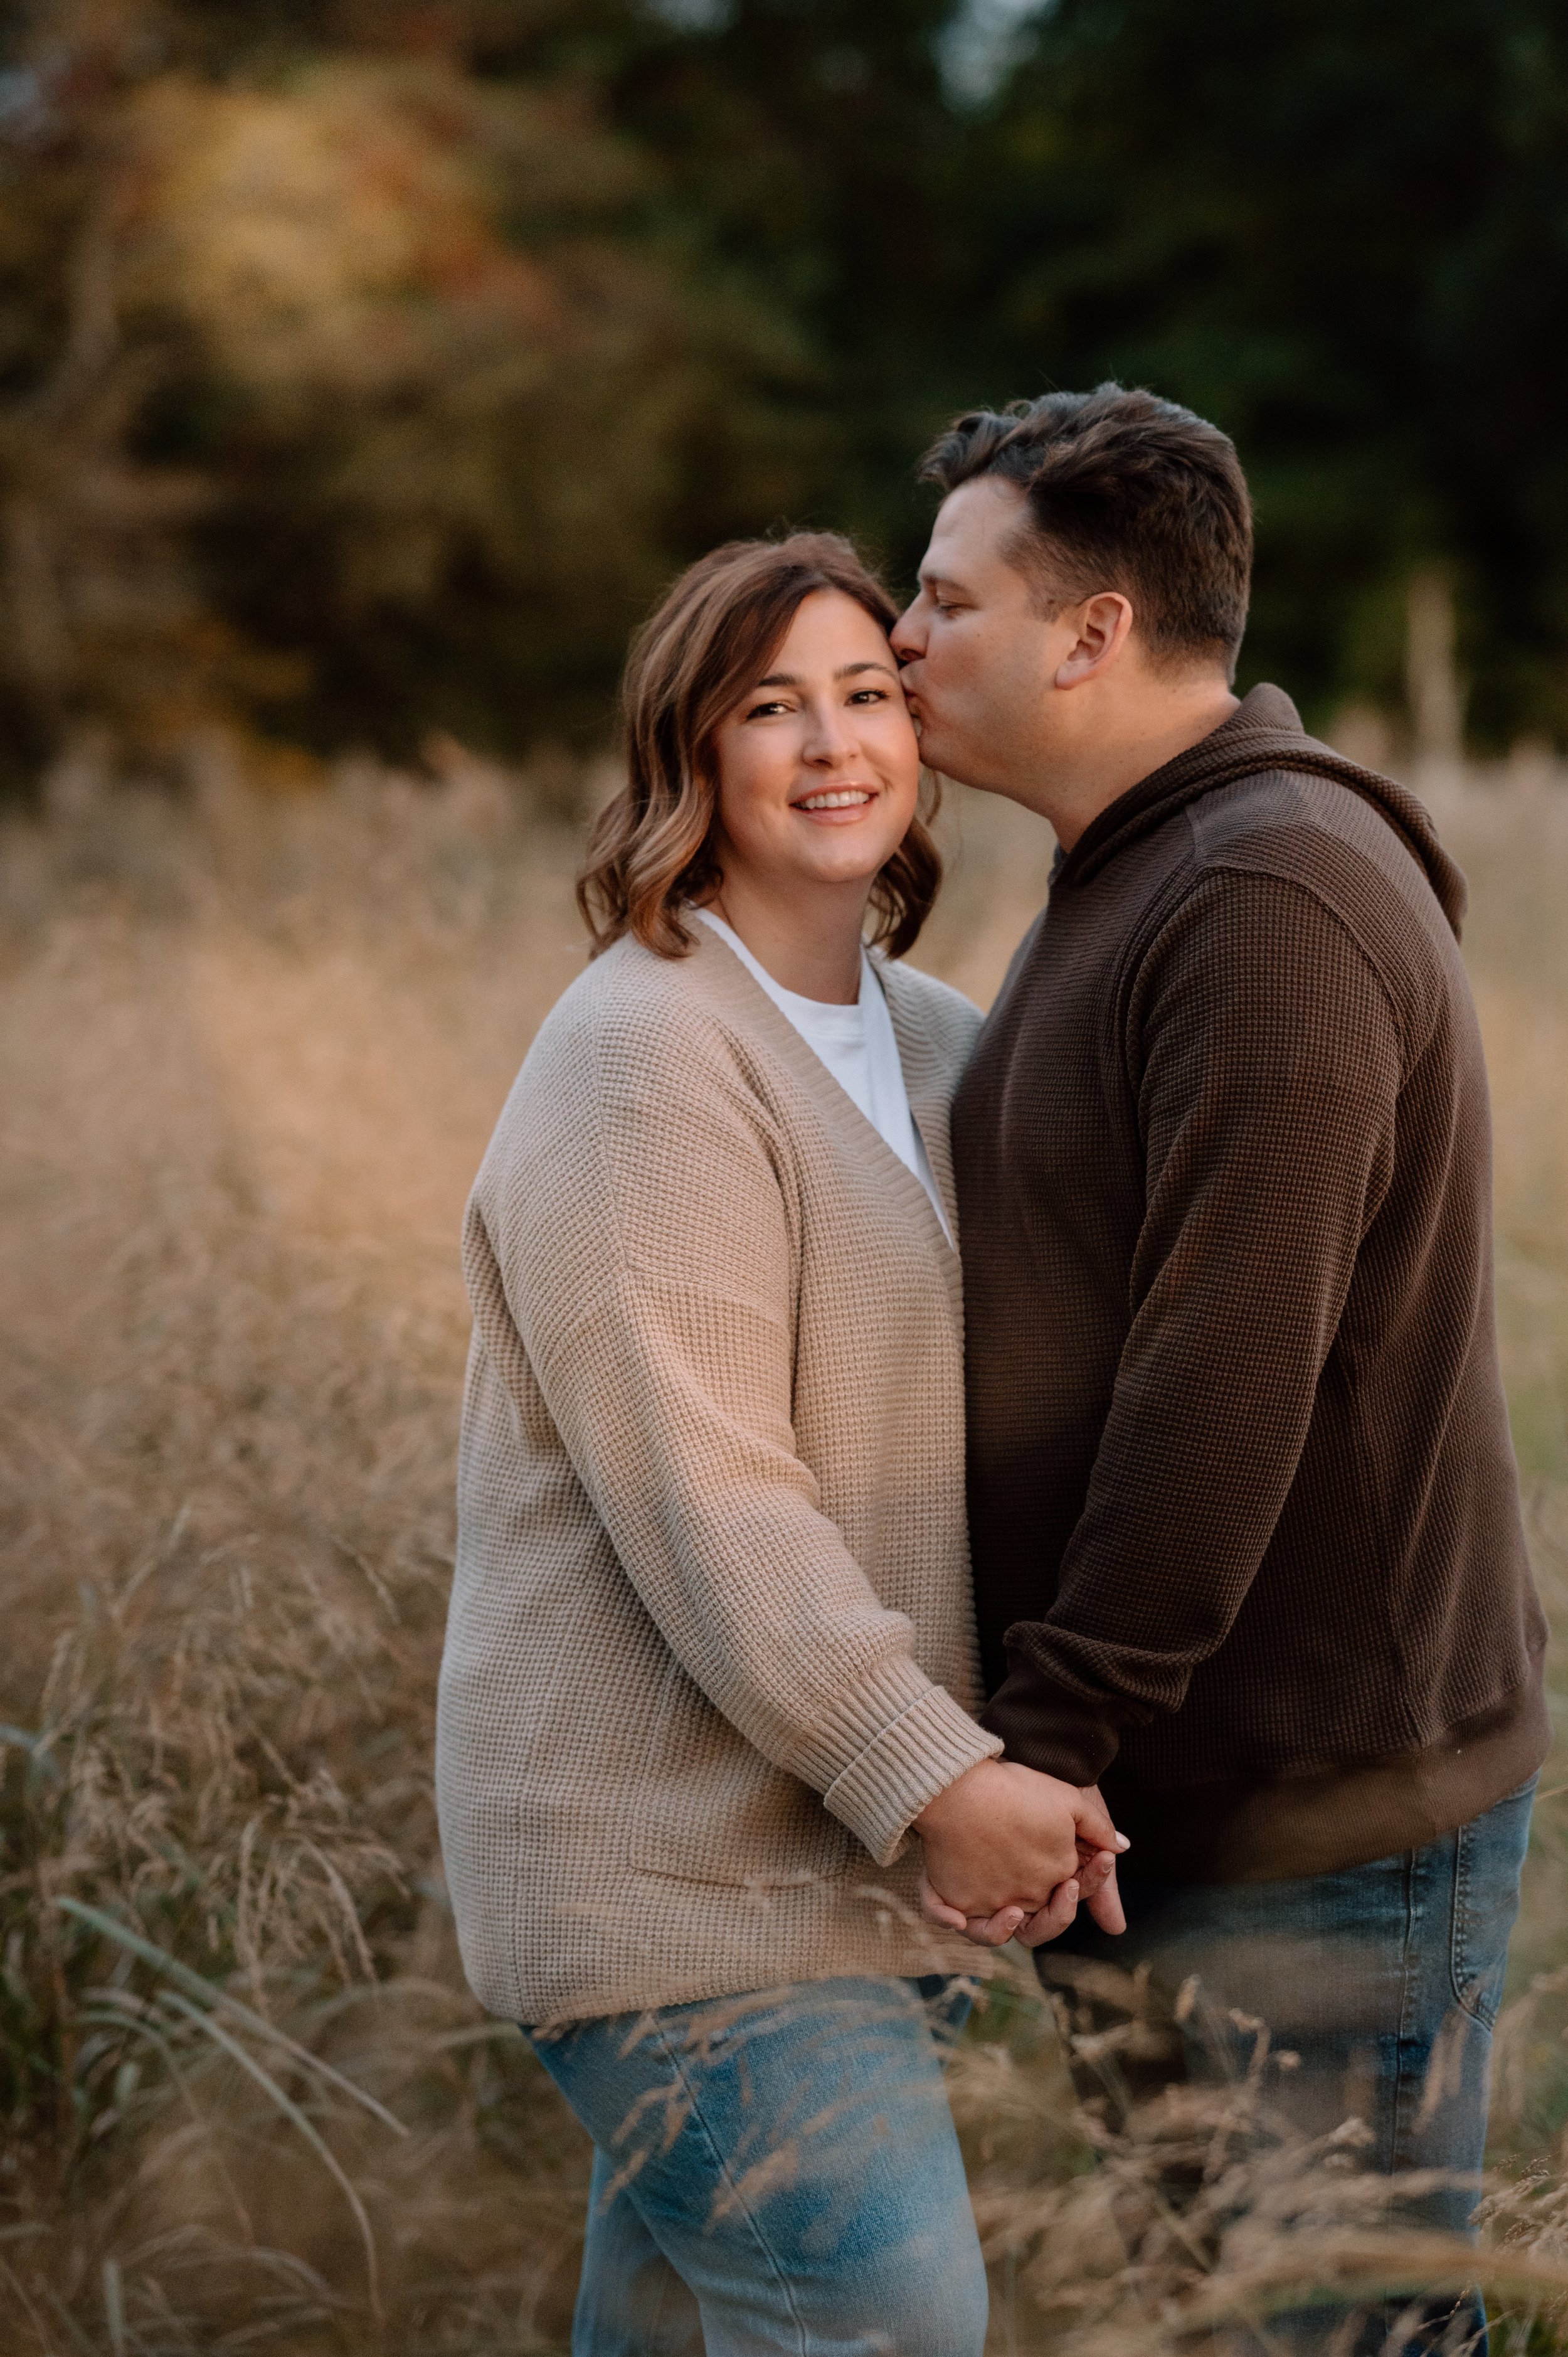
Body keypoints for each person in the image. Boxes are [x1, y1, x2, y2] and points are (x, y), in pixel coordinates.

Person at [894, 386, 1548, 2349]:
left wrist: (1050, 1739)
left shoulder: (1259, 896)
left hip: (1317, 1819)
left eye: (942, 600)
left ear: (1090, 633)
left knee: (1318, 2335)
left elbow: (1221, 1374)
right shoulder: (1141, 868)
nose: (898, 637)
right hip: (1200, 1801)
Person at [435, 530, 1126, 2357]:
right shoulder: (647, 1054)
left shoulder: (934, 1041)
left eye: (867, 694)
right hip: (675, 1875)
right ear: (691, 756)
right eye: (769, 706)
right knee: (886, 2318)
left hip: (845, 1863)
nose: (831, 743)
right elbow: (706, 1489)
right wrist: (934, 1775)